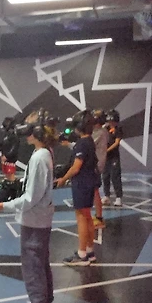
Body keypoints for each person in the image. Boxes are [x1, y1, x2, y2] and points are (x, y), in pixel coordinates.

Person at [0, 112, 57, 303]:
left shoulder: (39, 158)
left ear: (38, 131)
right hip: (40, 218)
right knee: (41, 263)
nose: (24, 131)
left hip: (34, 220)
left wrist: (3, 206)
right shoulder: (44, 153)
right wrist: (18, 185)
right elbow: (35, 186)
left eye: (29, 127)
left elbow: (31, 198)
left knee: (33, 267)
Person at [55, 112, 100, 265]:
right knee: (87, 217)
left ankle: (82, 254)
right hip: (89, 182)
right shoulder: (89, 141)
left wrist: (63, 179)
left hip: (81, 184)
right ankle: (89, 251)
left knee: (81, 218)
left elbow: (76, 167)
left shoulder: (82, 144)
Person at [90, 109, 109, 227]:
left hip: (95, 165)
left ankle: (99, 217)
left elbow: (88, 143)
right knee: (94, 191)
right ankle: (98, 215)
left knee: (94, 191)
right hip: (96, 164)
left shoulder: (100, 132)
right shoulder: (101, 131)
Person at [102, 110, 124, 206]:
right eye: (109, 121)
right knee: (105, 176)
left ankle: (118, 197)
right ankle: (106, 196)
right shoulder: (105, 128)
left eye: (112, 121)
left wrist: (107, 150)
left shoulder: (118, 129)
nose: (110, 123)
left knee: (115, 176)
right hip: (105, 157)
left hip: (114, 156)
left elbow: (116, 142)